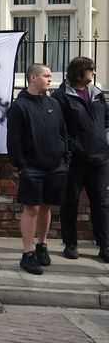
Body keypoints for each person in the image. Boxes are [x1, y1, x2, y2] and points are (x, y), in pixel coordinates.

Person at [6, 64, 69, 275]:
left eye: (51, 76)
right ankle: (28, 253)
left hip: (55, 166)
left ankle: (42, 245)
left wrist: (64, 159)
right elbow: (13, 141)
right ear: (33, 78)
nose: (51, 79)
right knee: (31, 208)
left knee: (46, 207)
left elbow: (63, 133)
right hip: (32, 168)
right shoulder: (19, 106)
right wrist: (22, 165)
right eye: (46, 76)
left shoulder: (54, 103)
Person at [52, 56, 109, 262]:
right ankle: (70, 244)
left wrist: (106, 141)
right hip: (74, 160)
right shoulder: (61, 96)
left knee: (100, 203)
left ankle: (105, 246)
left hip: (100, 159)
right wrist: (69, 148)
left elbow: (106, 119)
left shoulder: (97, 94)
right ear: (79, 72)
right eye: (91, 70)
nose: (94, 73)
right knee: (70, 202)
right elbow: (58, 127)